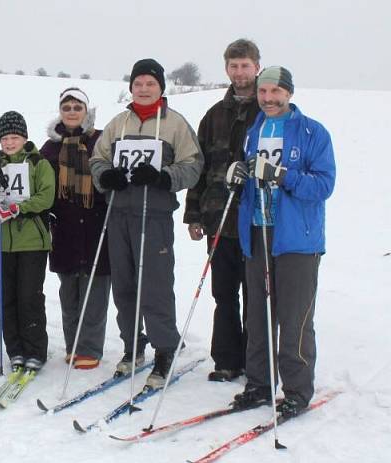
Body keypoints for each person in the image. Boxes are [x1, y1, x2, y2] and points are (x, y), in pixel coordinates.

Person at [226, 66, 335, 417]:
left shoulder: (311, 131)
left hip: (296, 238)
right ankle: (259, 384)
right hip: (258, 230)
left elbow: (323, 185)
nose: (269, 99)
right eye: (263, 92)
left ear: (289, 93)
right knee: (257, 315)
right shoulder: (253, 130)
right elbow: (251, 177)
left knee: (294, 317)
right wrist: (238, 176)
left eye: (276, 92)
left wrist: (282, 176)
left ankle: (297, 390)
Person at [90, 58, 202, 388]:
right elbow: (97, 159)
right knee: (124, 287)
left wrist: (163, 176)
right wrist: (105, 176)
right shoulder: (118, 123)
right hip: (119, 214)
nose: (143, 89)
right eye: (138, 83)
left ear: (161, 88)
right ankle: (133, 345)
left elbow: (194, 165)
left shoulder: (175, 124)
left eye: (150, 84)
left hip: (153, 216)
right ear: (131, 88)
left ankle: (165, 348)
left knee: (154, 286)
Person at [183, 39, 261, 382]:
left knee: (257, 294)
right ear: (226, 68)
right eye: (234, 66)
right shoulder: (214, 115)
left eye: (245, 65)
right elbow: (198, 167)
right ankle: (228, 360)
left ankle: (258, 360)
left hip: (257, 221)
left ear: (256, 66)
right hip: (219, 219)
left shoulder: (269, 109)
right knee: (224, 294)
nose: (239, 72)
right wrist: (194, 214)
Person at [39, 87, 109, 370]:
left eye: (76, 107)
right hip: (65, 227)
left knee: (94, 290)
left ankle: (89, 347)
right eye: (66, 107)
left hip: (96, 225)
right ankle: (72, 345)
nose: (71, 112)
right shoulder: (50, 148)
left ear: (86, 110)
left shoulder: (101, 142)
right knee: (69, 292)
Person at [0, 111, 55, 372]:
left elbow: (46, 197)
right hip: (4, 243)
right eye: (4, 138)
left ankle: (35, 349)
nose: (9, 143)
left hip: (32, 242)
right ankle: (14, 349)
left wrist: (18, 208)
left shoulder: (39, 163)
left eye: (14, 137)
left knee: (29, 297)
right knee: (5, 298)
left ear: (24, 137)